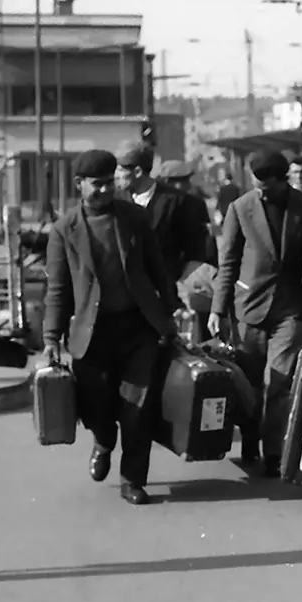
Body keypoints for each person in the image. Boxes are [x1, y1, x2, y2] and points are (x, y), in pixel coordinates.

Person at [42, 149, 180, 506]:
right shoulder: (64, 229)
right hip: (92, 335)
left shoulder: (134, 217)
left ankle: (132, 480)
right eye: (97, 184)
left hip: (137, 328)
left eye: (109, 183)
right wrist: (51, 338)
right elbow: (57, 289)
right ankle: (103, 441)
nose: (105, 190)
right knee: (96, 406)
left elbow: (157, 269)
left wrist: (169, 314)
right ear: (79, 184)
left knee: (137, 410)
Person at [209, 149, 302, 475]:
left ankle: (274, 451)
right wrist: (218, 309)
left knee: (278, 381)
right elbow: (228, 261)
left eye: (266, 188)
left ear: (283, 180)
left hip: (291, 307)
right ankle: (250, 439)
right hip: (248, 307)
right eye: (256, 186)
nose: (261, 193)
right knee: (250, 384)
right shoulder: (240, 207)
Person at [116, 144, 210, 285]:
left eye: (120, 170)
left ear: (137, 172)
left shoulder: (180, 201)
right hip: (126, 288)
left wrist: (185, 281)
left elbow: (196, 249)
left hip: (168, 286)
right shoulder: (116, 200)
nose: (116, 176)